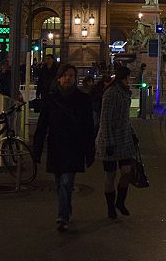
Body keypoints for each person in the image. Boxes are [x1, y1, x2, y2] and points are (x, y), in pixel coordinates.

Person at [31, 64, 96, 232]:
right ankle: (66, 208)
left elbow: (89, 127)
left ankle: (62, 217)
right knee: (60, 183)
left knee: (66, 182)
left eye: (71, 75)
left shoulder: (83, 99)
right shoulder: (51, 99)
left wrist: (90, 151)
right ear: (59, 78)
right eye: (65, 75)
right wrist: (36, 150)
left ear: (75, 79)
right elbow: (42, 126)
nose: (68, 78)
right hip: (56, 147)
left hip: (74, 147)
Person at [96, 66, 138, 219]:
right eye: (129, 77)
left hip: (124, 139)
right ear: (124, 78)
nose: (130, 80)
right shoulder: (111, 93)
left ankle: (120, 202)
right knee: (110, 175)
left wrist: (132, 134)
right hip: (110, 140)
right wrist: (108, 143)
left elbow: (125, 118)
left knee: (127, 172)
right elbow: (105, 120)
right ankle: (110, 207)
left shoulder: (124, 93)